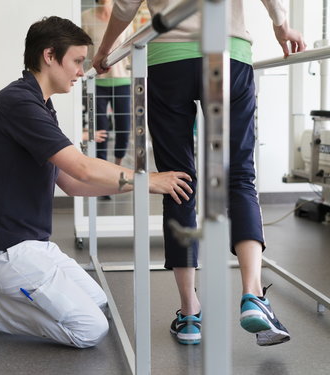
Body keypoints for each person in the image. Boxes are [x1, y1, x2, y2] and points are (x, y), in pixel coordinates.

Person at [0, 15, 193, 349]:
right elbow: (81, 168)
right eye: (77, 61)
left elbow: (73, 184)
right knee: (89, 330)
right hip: (1, 250)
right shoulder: (19, 103)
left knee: (98, 303)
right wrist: (146, 179)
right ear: (49, 56)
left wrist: (136, 185)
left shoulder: (41, 105)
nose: (81, 70)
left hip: (30, 244)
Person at [93, 0, 306, 346]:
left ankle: (190, 313)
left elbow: (124, 5)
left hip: (167, 60)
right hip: (226, 53)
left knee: (177, 180)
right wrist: (281, 25)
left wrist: (105, 51)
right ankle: (253, 294)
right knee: (238, 174)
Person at [82, 0, 134, 168]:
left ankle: (118, 166)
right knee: (100, 128)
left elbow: (131, 49)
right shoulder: (86, 17)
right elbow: (84, 52)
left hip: (122, 80)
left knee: (123, 127)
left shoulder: (126, 17)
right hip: (97, 82)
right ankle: (103, 169)